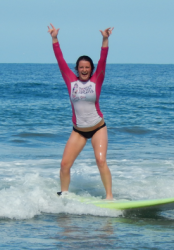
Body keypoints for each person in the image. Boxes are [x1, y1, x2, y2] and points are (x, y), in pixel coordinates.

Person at [47, 23, 113, 199]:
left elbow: (103, 60)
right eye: (81, 67)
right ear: (77, 69)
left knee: (100, 161)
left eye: (87, 67)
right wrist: (54, 38)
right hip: (78, 131)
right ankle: (65, 196)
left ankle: (109, 197)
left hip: (98, 127)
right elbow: (60, 60)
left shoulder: (96, 80)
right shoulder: (70, 80)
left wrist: (105, 39)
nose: (84, 70)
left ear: (91, 69)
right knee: (64, 164)